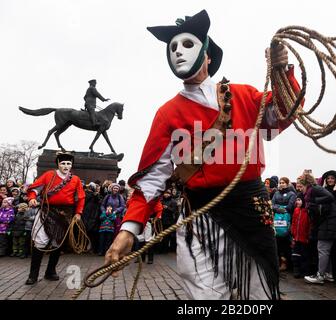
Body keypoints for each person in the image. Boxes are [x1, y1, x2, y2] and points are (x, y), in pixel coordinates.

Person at [105, 9, 301, 300]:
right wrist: (129, 230)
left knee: (261, 296)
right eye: (172, 48)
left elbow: (283, 113)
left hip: (251, 213)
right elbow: (152, 178)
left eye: (187, 44)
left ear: (208, 55)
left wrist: (281, 73)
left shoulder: (245, 95)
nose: (178, 52)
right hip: (199, 220)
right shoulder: (167, 113)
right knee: (205, 299)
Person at [25, 152, 85, 285]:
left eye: (69, 163)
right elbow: (34, 189)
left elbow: (81, 197)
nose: (66, 166)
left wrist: (79, 213)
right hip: (47, 210)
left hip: (65, 214)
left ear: (71, 165)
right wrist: (32, 198)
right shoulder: (49, 175)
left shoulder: (75, 179)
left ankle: (50, 271)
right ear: (58, 164)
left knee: (58, 242)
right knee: (40, 242)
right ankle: (33, 275)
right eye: (63, 163)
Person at [271, 177, 296, 271]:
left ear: (287, 183)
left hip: (287, 220)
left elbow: (290, 206)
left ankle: (287, 263)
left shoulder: (292, 194)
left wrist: (279, 208)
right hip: (277, 220)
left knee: (286, 241)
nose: (281, 184)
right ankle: (280, 262)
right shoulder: (276, 193)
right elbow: (272, 204)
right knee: (278, 241)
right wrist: (278, 208)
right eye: (280, 182)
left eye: (283, 183)